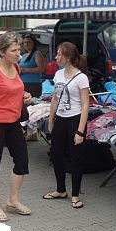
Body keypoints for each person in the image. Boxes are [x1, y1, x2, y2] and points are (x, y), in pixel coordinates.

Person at [0, 32, 32, 222]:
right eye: (14, 50)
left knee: (22, 161)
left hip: (13, 122)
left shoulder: (15, 67)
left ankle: (12, 200)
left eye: (19, 49)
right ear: (2, 52)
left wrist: (24, 95)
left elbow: (12, 90)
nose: (19, 53)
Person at [43, 42, 90, 209]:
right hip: (60, 120)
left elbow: (85, 104)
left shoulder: (81, 77)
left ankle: (75, 195)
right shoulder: (58, 75)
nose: (56, 57)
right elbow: (55, 98)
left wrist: (80, 131)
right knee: (56, 155)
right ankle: (60, 190)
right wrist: (51, 119)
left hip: (75, 120)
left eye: (59, 54)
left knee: (75, 159)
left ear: (68, 57)